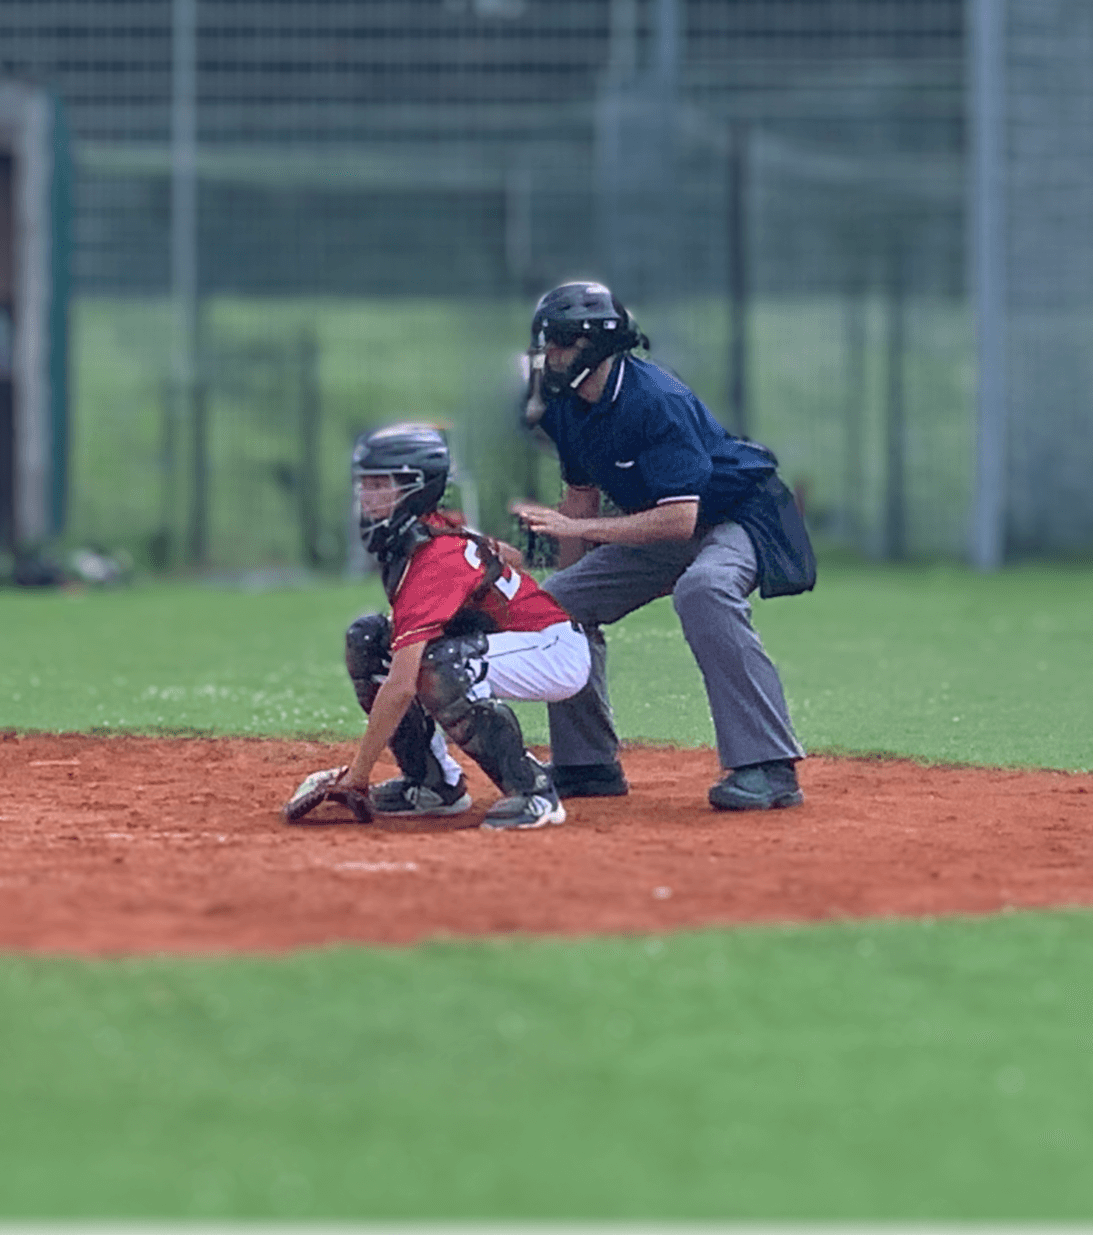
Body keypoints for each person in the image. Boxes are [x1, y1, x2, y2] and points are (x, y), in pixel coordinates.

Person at [509, 280, 813, 811]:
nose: (548, 355)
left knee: (705, 588)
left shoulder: (655, 400)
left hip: (737, 514)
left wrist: (578, 531)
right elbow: (580, 498)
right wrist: (563, 589)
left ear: (596, 345)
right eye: (546, 342)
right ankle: (588, 764)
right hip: (665, 522)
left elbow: (679, 519)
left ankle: (769, 766)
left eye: (560, 342)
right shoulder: (566, 405)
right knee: (556, 606)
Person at [327, 423, 591, 832]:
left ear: (416, 488)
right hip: (508, 642)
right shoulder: (432, 531)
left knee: (440, 666)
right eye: (365, 484)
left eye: (381, 485)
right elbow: (514, 557)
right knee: (369, 639)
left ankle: (534, 792)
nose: (367, 495)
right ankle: (433, 785)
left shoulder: (434, 559)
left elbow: (400, 686)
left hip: (552, 648)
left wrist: (357, 776)